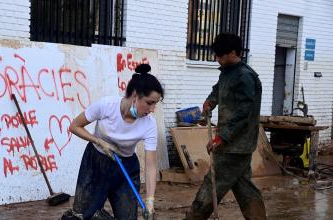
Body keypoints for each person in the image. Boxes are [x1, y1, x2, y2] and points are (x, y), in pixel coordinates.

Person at [61, 63, 164, 220]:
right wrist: (98, 141)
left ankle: (99, 215)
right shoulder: (106, 106)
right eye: (149, 102)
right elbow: (74, 126)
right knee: (83, 215)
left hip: (126, 169)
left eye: (155, 104)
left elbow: (150, 166)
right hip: (95, 162)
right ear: (135, 95)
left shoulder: (149, 124)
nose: (152, 109)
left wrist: (150, 202)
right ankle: (96, 214)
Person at [186, 33, 267, 220]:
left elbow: (243, 115)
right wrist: (209, 102)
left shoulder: (245, 77)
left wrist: (221, 138)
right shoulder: (227, 71)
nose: (217, 59)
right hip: (233, 144)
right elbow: (218, 89)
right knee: (244, 187)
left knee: (211, 183)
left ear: (232, 53)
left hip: (235, 146)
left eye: (220, 55)